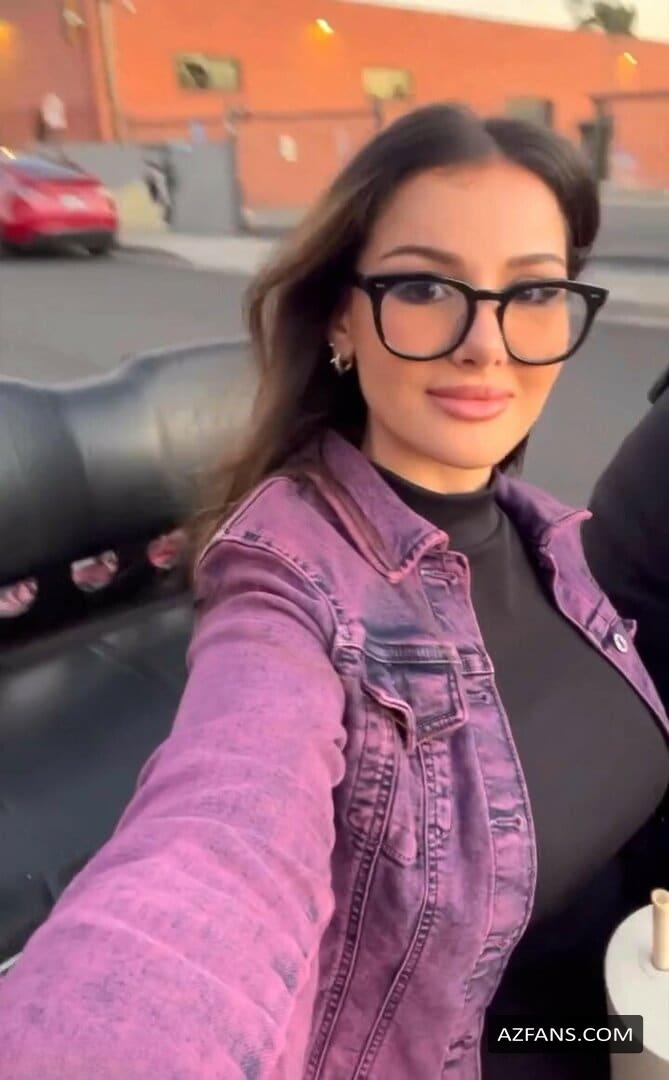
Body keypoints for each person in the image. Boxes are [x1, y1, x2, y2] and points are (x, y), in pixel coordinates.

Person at [0, 104, 667, 1079]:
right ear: (342, 316)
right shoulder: (289, 589)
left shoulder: (554, 537)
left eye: (531, 291)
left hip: (587, 1035)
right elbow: (218, 850)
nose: (487, 344)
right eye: (425, 286)